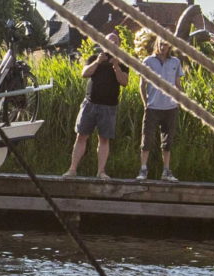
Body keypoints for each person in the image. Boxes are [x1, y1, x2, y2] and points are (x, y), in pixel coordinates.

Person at [65, 44, 130, 178]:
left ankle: (101, 172)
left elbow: (124, 82)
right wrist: (97, 62)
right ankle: (72, 169)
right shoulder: (94, 58)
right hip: (90, 104)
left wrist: (116, 66)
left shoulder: (121, 62)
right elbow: (84, 73)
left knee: (104, 139)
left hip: (109, 107)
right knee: (81, 136)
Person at [136, 35, 185, 181]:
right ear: (157, 44)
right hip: (153, 107)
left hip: (170, 108)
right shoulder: (148, 61)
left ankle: (166, 171)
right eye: (161, 44)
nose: (163, 47)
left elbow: (178, 84)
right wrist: (145, 103)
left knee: (168, 141)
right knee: (147, 139)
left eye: (166, 45)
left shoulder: (175, 62)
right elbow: (142, 85)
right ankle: (143, 170)